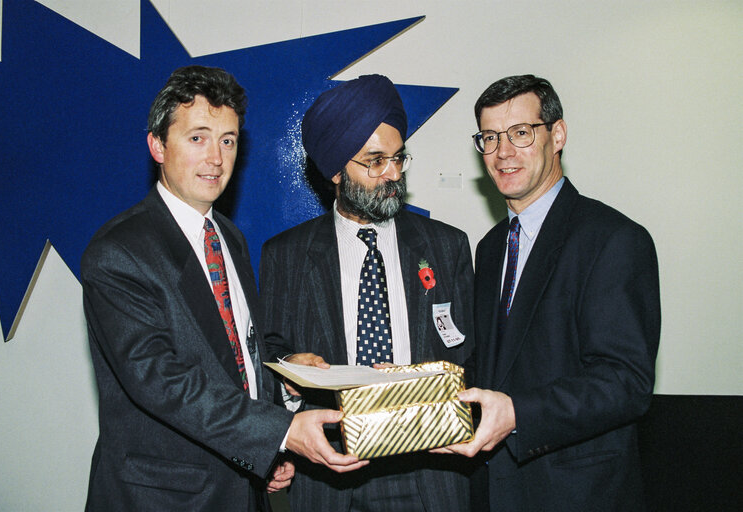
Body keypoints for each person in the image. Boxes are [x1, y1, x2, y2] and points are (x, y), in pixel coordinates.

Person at [81, 65, 366, 512]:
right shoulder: (119, 251)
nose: (216, 158)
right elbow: (161, 380)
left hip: (242, 486)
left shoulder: (228, 238)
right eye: (197, 138)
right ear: (157, 145)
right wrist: (281, 432)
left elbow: (231, 359)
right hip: (162, 497)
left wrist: (285, 382)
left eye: (228, 140)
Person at [434, 75, 661, 511]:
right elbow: (493, 365)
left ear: (557, 135)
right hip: (496, 489)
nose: (503, 152)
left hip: (578, 493)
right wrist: (415, 385)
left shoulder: (613, 239)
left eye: (520, 133)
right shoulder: (491, 245)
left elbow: (626, 381)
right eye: (489, 137)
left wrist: (518, 412)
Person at [260, 74, 475, 512]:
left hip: (432, 476)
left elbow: (469, 353)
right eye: (374, 161)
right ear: (336, 171)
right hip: (331, 476)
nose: (392, 174)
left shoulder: (447, 246)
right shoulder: (286, 255)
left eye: (398, 158)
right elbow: (269, 355)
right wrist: (289, 380)